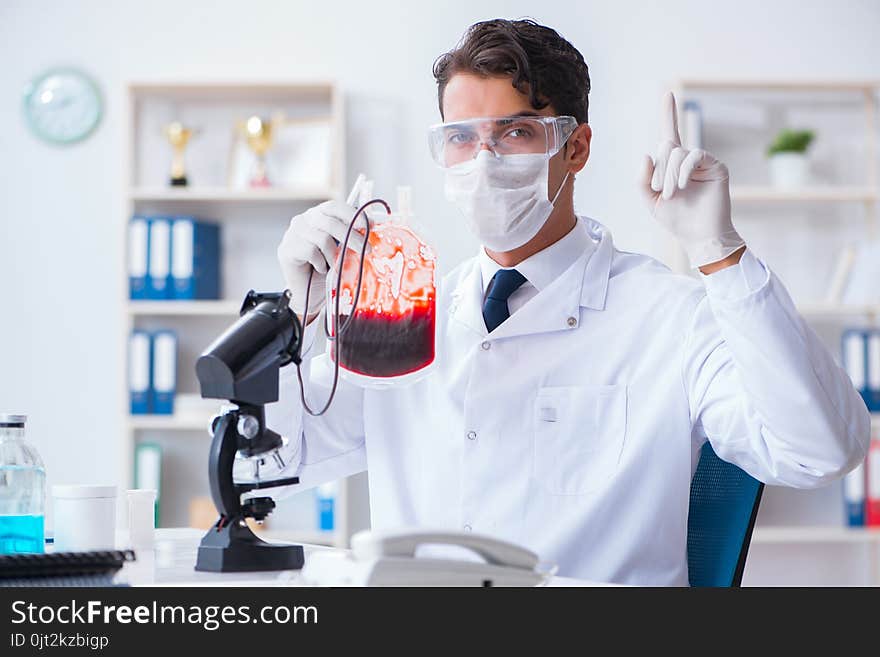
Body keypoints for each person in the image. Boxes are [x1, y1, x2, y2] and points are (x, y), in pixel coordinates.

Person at [264, 19, 870, 585]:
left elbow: (818, 452)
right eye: (460, 138)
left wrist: (720, 250)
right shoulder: (403, 321)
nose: (484, 162)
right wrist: (294, 316)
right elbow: (258, 465)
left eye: (516, 131)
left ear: (575, 148)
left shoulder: (674, 317)